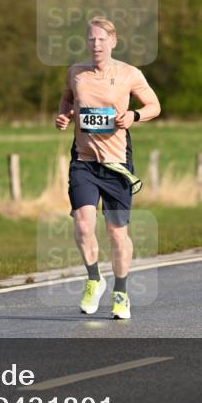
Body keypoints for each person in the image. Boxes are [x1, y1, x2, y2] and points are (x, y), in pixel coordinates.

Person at [55, 17, 160, 319]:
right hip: (84, 162)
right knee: (84, 225)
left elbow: (154, 105)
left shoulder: (129, 73)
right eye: (91, 39)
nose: (96, 45)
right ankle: (93, 279)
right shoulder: (76, 72)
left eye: (102, 39)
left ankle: (121, 293)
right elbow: (66, 101)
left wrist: (134, 116)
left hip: (116, 164)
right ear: (86, 42)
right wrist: (63, 116)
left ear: (113, 42)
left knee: (116, 234)